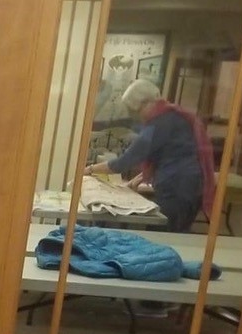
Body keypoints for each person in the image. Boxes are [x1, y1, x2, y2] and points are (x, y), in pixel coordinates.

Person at [84, 79, 215, 233]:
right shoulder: (175, 115)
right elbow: (171, 154)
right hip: (191, 185)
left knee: (168, 234)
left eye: (136, 111)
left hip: (176, 188)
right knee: (180, 231)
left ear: (146, 103)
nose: (138, 117)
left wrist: (90, 169)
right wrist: (139, 178)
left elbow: (123, 162)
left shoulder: (158, 124)